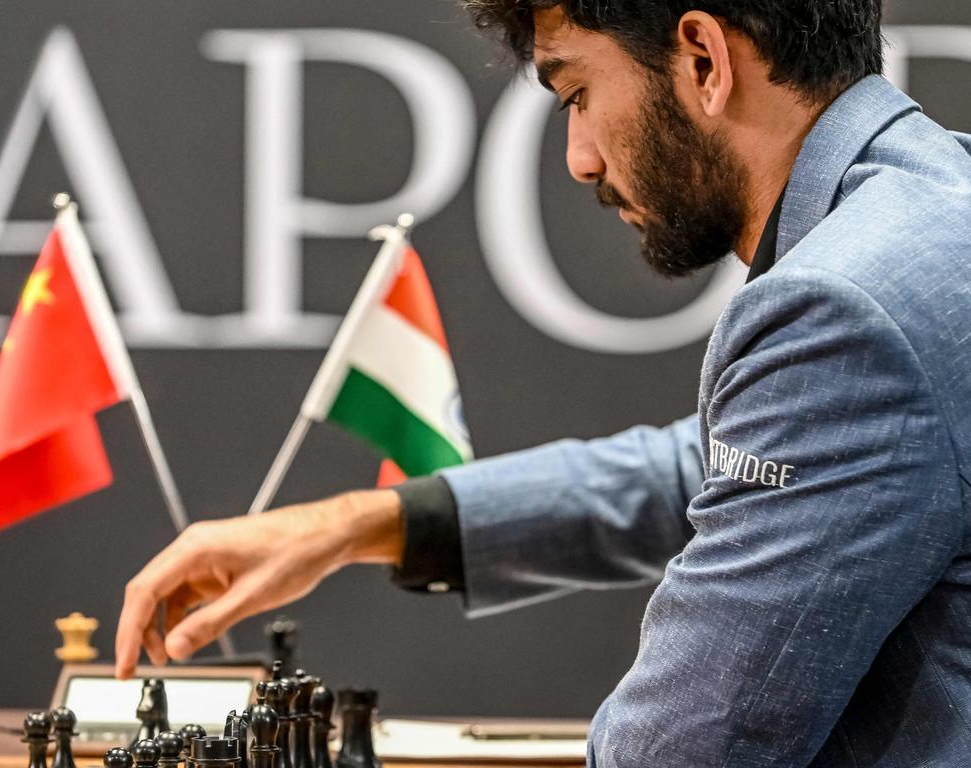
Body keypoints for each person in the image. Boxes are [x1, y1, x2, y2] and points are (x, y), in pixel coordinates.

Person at [116, 1, 971, 764]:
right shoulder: (935, 203)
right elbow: (707, 468)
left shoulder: (845, 306)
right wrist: (362, 523)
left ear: (704, 58)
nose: (580, 160)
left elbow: (684, 746)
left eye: (576, 96)